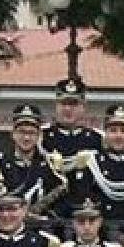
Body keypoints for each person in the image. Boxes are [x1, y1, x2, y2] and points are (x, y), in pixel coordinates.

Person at [72, 104, 124, 220]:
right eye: (113, 131)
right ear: (105, 133)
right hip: (102, 228)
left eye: (123, 131)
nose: (118, 136)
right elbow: (83, 197)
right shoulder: (92, 163)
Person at [0, 104, 68, 217]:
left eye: (31, 133)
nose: (26, 138)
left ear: (39, 135)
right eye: (22, 132)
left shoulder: (50, 164)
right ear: (13, 134)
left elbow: (61, 202)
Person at [44, 78, 104, 217]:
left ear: (83, 107)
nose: (68, 109)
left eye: (74, 104)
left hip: (86, 214)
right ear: (56, 106)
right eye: (63, 103)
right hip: (50, 213)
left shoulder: (97, 139)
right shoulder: (43, 137)